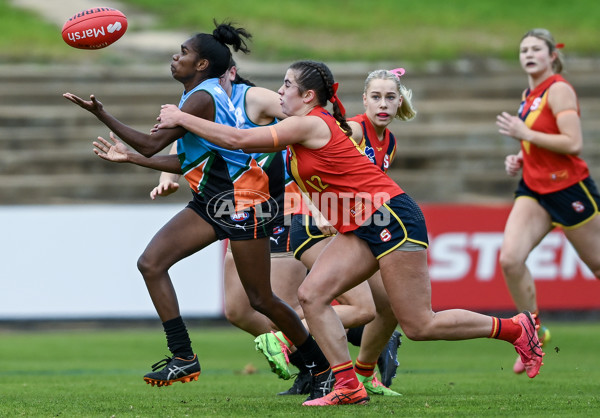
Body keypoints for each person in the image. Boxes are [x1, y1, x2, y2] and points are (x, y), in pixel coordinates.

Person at [156, 59, 545, 406]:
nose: (280, 90)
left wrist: (182, 116)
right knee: (312, 295)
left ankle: (515, 328)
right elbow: (236, 146)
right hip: (361, 223)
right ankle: (348, 384)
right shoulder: (301, 124)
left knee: (419, 324)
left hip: (392, 219)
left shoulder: (308, 123)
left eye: (287, 85)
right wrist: (152, 158)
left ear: (308, 96)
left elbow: (240, 140)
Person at [63, 22, 332, 400]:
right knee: (151, 263)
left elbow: (153, 143)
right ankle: (183, 355)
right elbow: (185, 160)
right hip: (211, 203)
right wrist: (132, 159)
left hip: (244, 203)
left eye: (184, 53)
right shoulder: (197, 97)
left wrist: (102, 114)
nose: (176, 57)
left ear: (202, 64)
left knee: (261, 300)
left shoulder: (200, 98)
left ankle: (320, 369)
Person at [496, 28, 600, 374]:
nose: (528, 54)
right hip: (534, 189)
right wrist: (521, 157)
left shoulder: (559, 90)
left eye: (536, 49)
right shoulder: (529, 94)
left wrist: (525, 135)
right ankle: (533, 335)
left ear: (552, 55)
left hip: (569, 188)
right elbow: (540, 141)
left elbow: (572, 143)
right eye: (523, 48)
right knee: (510, 259)